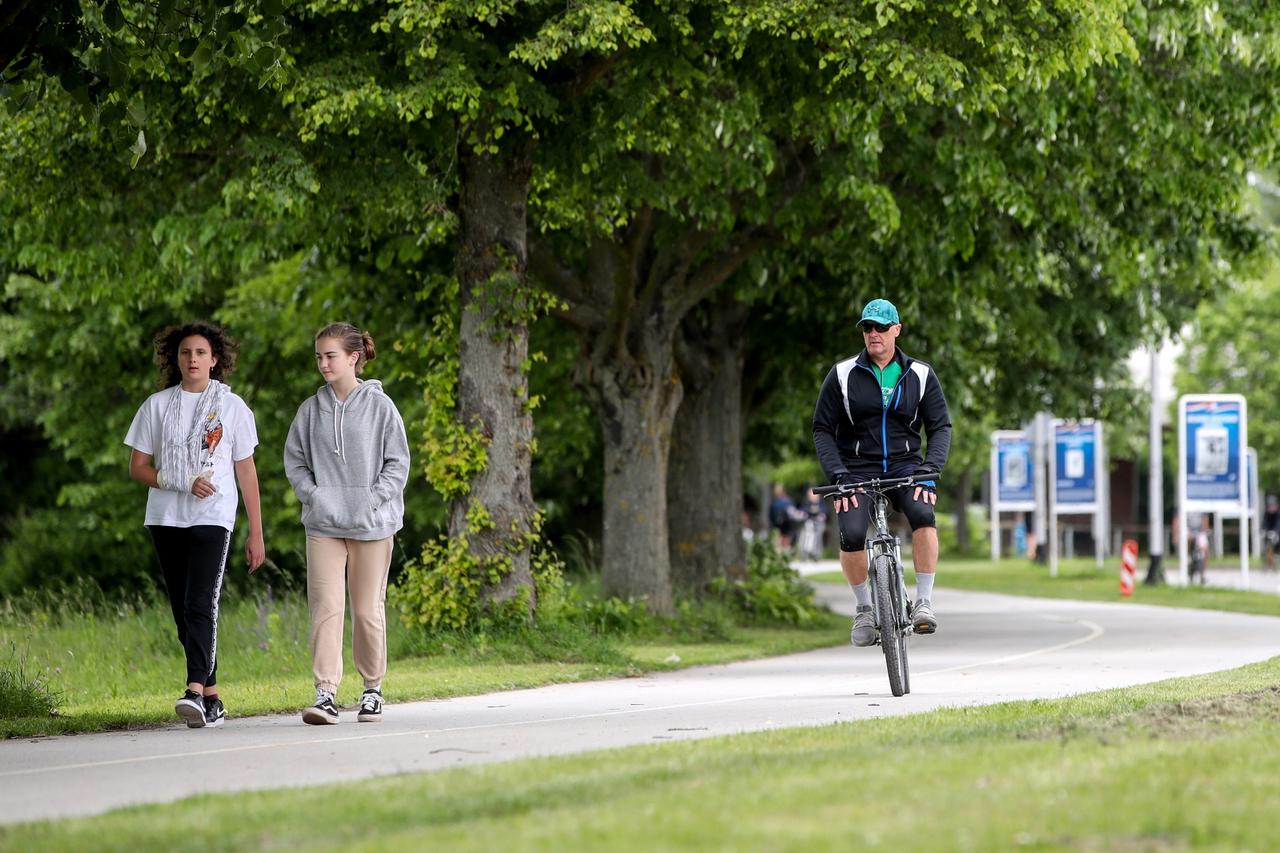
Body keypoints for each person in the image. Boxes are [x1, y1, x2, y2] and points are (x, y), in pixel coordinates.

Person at [124, 322, 266, 728]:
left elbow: (247, 470)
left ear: (214, 359)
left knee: (200, 603)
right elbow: (138, 468)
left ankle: (193, 692)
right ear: (177, 359)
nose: (193, 360)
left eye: (201, 353)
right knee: (182, 613)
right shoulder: (156, 405)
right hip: (166, 517)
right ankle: (214, 697)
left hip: (213, 517)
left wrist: (256, 532)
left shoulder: (232, 406)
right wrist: (181, 481)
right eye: (186, 353)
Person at [285, 323, 410, 725]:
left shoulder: (381, 407)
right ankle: (325, 694)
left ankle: (372, 689)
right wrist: (317, 497)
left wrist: (370, 501)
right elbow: (296, 462)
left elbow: (398, 464)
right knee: (326, 607)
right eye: (319, 356)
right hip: (324, 524)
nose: (323, 363)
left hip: (372, 525)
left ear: (353, 357)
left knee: (367, 609)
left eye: (330, 356)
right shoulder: (310, 410)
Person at [812, 298, 952, 647]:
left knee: (923, 512)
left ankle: (923, 601)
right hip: (856, 469)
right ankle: (863, 608)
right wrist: (838, 476)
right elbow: (822, 429)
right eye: (867, 328)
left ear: (896, 330)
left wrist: (929, 471)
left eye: (880, 327)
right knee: (852, 531)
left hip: (906, 466)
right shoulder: (842, 375)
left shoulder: (920, 374)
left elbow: (940, 427)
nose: (873, 333)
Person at [1263, 494, 1279, 570]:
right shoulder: (1266, 514)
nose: (1271, 508)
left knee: (1273, 544)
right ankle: (1269, 562)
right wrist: (1264, 531)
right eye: (1270, 506)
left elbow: (1278, 524)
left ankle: (1273, 561)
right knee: (1267, 546)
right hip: (1268, 534)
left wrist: (1275, 532)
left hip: (1276, 534)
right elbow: (1265, 523)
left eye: (1273, 506)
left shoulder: (1278, 514)